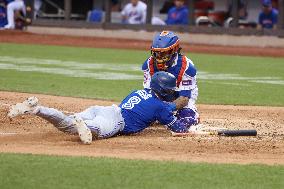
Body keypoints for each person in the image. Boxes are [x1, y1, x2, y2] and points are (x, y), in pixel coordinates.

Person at [8, 72, 191, 145]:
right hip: (115, 122)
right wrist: (188, 123)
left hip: (105, 110)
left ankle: (37, 108)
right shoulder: (161, 107)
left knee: (68, 119)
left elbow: (148, 109)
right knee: (69, 127)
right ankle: (86, 127)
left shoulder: (139, 92)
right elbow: (179, 128)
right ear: (164, 90)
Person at [142, 31, 199, 129]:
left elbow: (184, 98)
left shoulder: (186, 67)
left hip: (182, 97)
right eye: (157, 53)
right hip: (159, 99)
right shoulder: (149, 64)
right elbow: (148, 92)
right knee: (142, 118)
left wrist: (167, 109)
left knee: (186, 122)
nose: (159, 58)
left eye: (164, 53)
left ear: (174, 50)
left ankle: (194, 115)